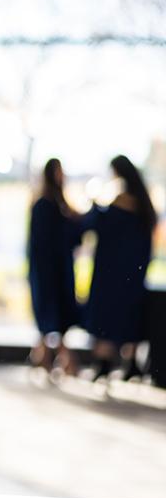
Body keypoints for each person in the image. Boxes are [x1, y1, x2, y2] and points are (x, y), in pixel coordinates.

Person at [82, 155, 158, 380]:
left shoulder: (117, 206)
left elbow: (96, 227)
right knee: (129, 316)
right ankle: (131, 362)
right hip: (133, 274)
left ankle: (104, 362)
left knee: (108, 316)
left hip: (111, 274)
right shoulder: (144, 207)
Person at [27, 158, 83, 374]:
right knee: (53, 314)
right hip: (49, 271)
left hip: (55, 270)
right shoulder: (46, 205)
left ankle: (43, 356)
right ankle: (62, 359)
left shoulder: (53, 204)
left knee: (53, 316)